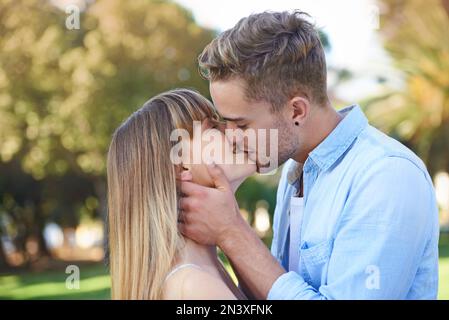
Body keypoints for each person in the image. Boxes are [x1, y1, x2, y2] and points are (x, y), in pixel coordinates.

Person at [178, 11, 440, 299]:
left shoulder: (385, 176)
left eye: (241, 124)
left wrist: (231, 231)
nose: (231, 136)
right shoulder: (295, 172)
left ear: (296, 111)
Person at [107, 88, 255, 299]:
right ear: (181, 167)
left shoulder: (204, 271)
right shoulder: (197, 286)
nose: (231, 130)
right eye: (212, 127)